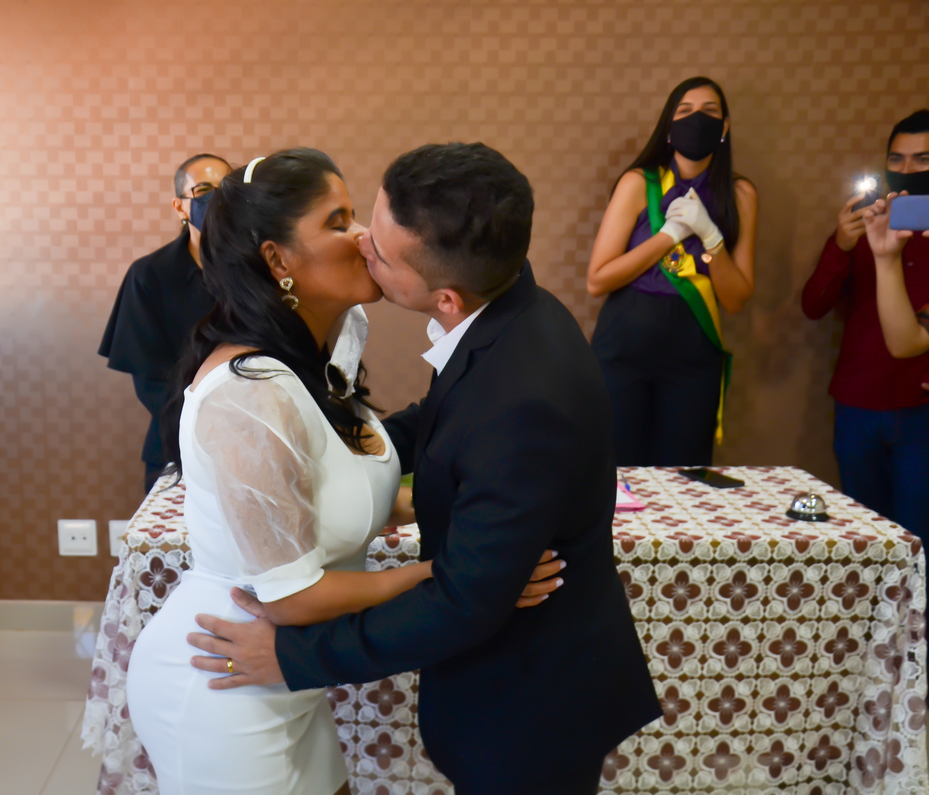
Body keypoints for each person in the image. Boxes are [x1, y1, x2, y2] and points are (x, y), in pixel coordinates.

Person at [187, 143, 661, 795]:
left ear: (444, 296)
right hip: (221, 666)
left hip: (531, 705)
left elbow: (465, 599)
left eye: (380, 249)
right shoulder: (508, 308)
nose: (363, 243)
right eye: (351, 222)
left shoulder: (524, 393)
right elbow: (443, 426)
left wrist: (292, 657)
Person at [125, 148, 564, 795]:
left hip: (287, 675)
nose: (364, 237)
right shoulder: (250, 396)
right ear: (278, 260)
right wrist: (461, 575)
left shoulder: (324, 346)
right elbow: (291, 595)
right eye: (338, 221)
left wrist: (479, 523)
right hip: (224, 674)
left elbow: (347, 491)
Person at [586, 76, 758, 466]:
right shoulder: (638, 183)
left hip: (693, 354)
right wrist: (669, 236)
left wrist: (711, 237)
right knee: (616, 471)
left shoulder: (741, 195)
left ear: (725, 127)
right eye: (685, 111)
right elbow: (597, 280)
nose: (697, 119)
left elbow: (736, 300)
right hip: (623, 347)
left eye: (709, 111)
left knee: (684, 473)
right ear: (668, 126)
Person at [802, 110, 929, 541]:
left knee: (917, 538)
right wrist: (841, 244)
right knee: (866, 537)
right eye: (896, 159)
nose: (907, 169)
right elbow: (813, 306)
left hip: (921, 408)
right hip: (859, 402)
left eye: (922, 159)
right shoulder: (868, 224)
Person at [98, 153, 232, 492]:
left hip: (255, 439)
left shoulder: (260, 270)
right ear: (180, 207)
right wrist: (208, 427)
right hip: (177, 446)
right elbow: (150, 382)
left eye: (226, 189)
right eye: (204, 190)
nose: (217, 199)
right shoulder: (149, 275)